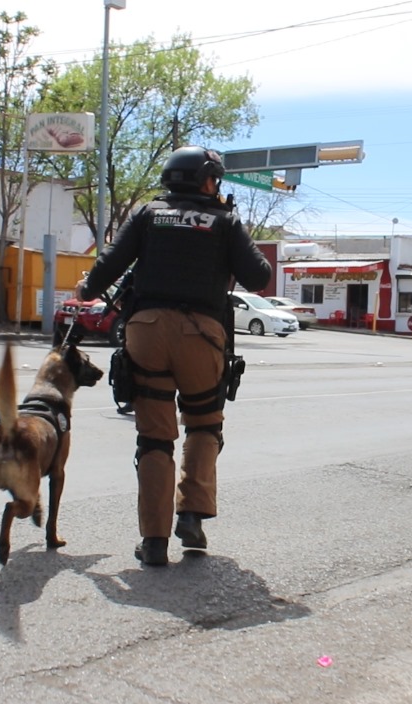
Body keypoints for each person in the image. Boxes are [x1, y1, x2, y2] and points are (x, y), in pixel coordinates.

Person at [77, 145, 272, 566]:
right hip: (201, 335)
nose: (216, 185)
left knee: (154, 437)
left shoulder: (148, 214)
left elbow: (108, 266)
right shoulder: (225, 221)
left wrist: (85, 291)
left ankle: (153, 543)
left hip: (145, 332)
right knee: (204, 424)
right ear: (204, 179)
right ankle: (192, 513)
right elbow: (259, 277)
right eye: (214, 178)